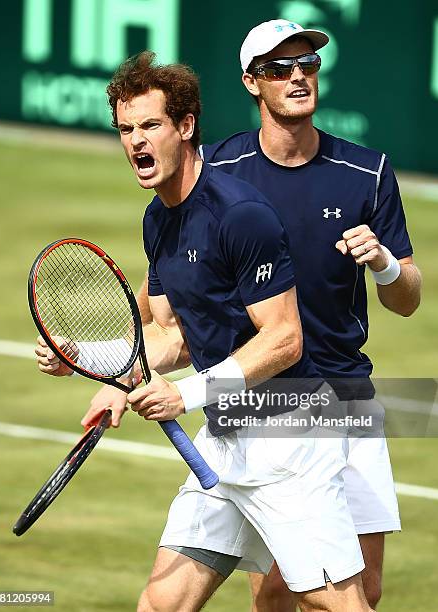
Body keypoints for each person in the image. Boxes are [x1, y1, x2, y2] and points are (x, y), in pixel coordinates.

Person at [35, 52, 373, 611]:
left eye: (149, 125)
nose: (136, 142)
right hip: (226, 442)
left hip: (291, 440)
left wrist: (186, 394)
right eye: (125, 129)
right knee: (160, 605)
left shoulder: (241, 215)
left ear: (186, 126)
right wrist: (92, 357)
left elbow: (285, 339)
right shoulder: (158, 218)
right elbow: (176, 335)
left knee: (337, 605)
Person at [195, 19, 422, 611]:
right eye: (279, 69)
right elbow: (170, 287)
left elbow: (408, 297)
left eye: (307, 65)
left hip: (348, 398)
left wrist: (383, 266)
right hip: (267, 404)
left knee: (363, 591)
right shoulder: (215, 172)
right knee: (281, 590)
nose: (297, 76)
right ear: (252, 83)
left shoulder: (367, 171)